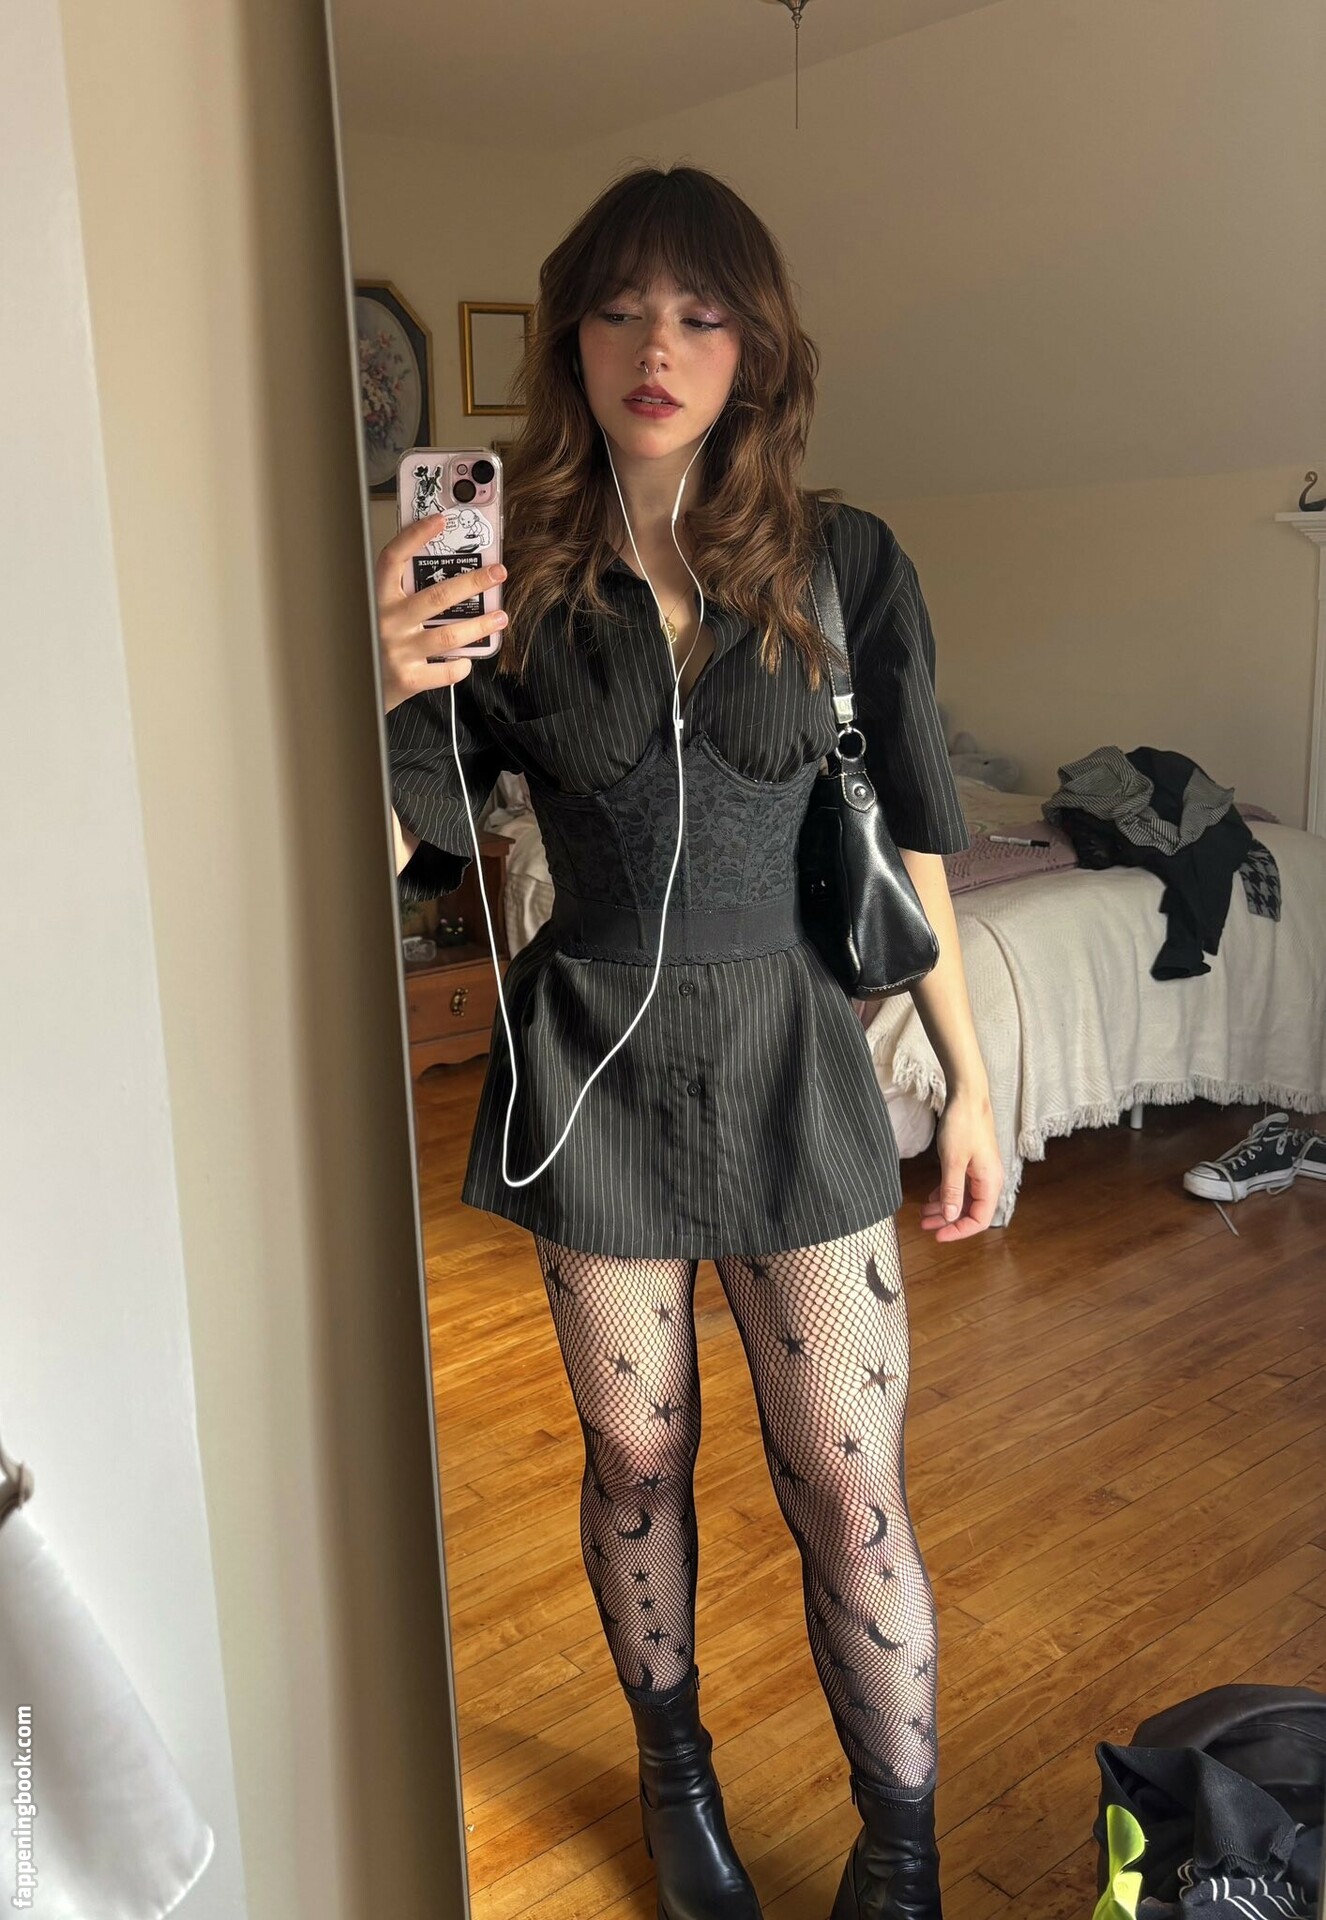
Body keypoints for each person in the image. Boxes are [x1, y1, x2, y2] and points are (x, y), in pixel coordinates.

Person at [378, 165, 1003, 1920]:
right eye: (621, 309)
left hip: (793, 1055)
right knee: (637, 1464)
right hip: (589, 1061)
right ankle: (679, 1787)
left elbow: (916, 836)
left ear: (755, 348)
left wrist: (971, 1079)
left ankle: (899, 1858)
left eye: (701, 313)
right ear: (569, 340)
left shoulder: (843, 559)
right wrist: (376, 679)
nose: (658, 346)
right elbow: (395, 850)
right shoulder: (503, 576)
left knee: (849, 1489)